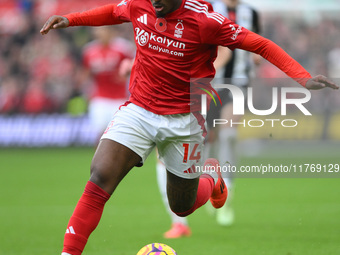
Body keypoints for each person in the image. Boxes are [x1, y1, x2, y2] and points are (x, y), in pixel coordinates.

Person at [40, 0, 338, 254]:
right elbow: (114, 12)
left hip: (184, 123)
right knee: (100, 175)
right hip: (138, 111)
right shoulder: (142, 3)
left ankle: (211, 175)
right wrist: (70, 19)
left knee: (182, 206)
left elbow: (259, 43)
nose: (154, 2)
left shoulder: (206, 20)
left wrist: (302, 77)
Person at [156, 0, 262, 237]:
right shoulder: (207, 8)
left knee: (229, 135)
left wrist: (255, 57)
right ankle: (208, 183)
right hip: (208, 84)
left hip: (237, 84)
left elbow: (255, 42)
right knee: (203, 141)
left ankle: (228, 191)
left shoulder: (251, 13)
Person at [78, 26, 134, 141]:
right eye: (97, 30)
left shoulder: (123, 49)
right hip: (99, 98)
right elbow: (86, 74)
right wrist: (86, 92)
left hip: (119, 99)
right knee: (100, 134)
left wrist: (123, 78)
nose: (99, 32)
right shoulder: (89, 50)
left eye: (102, 30)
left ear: (111, 31)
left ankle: (119, 159)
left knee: (119, 135)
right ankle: (100, 159)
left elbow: (133, 69)